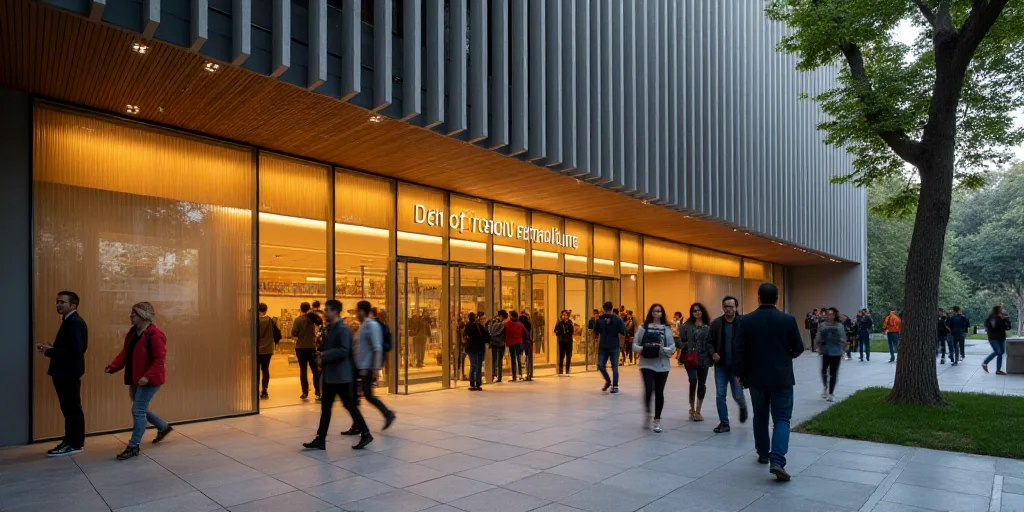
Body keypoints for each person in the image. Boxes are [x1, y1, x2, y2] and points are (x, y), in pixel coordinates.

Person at [735, 283, 804, 482]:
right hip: (781, 378)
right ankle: (778, 460)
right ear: (777, 299)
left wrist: (741, 374)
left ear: (758, 298)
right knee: (782, 418)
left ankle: (763, 453)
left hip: (756, 378)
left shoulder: (746, 321)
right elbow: (798, 348)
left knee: (760, 415)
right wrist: (784, 357)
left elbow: (739, 351)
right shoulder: (788, 320)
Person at [104, 302, 172, 460]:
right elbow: (125, 353)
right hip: (136, 377)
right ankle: (163, 427)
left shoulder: (155, 334)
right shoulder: (133, 332)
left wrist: (147, 377)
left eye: (133, 314)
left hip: (149, 380)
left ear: (143, 315)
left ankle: (133, 446)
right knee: (140, 408)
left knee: (138, 410)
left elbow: (159, 359)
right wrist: (113, 367)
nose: (131, 316)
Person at [303, 300, 372, 450]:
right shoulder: (332, 328)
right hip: (332, 375)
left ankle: (365, 433)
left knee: (349, 406)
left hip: (341, 376)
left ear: (335, 311)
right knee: (326, 408)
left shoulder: (342, 329)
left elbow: (343, 350)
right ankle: (320, 438)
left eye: (327, 310)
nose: (325, 312)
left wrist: (325, 355)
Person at [37, 291, 88, 457]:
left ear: (73, 305)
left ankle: (74, 443)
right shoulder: (70, 321)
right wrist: (53, 349)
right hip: (66, 371)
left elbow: (75, 350)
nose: (58, 305)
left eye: (62, 302)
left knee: (71, 409)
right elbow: (73, 348)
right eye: (57, 301)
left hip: (68, 372)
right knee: (69, 408)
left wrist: (50, 351)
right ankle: (71, 440)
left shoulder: (73, 322)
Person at [342, 300, 395, 436]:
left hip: (366, 367)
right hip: (360, 367)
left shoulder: (371, 325)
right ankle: (360, 424)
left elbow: (377, 347)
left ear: (363, 311)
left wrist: (375, 369)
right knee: (358, 396)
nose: (356, 313)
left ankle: (387, 414)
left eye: (357, 310)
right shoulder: (363, 325)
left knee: (365, 395)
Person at [632, 303, 676, 433]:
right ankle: (647, 413)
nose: (657, 314)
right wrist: (645, 349)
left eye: (659, 311)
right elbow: (634, 345)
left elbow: (672, 347)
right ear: (651, 313)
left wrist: (662, 350)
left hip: (662, 365)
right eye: (655, 311)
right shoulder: (643, 328)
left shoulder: (667, 329)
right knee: (648, 389)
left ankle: (657, 419)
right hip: (646, 363)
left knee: (659, 392)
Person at [709, 296, 748, 433]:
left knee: (737, 394)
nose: (728, 309)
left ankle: (743, 407)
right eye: (726, 306)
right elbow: (709, 341)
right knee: (720, 395)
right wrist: (713, 353)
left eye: (731, 306)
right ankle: (724, 423)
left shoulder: (742, 322)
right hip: (721, 366)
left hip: (737, 367)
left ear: (736, 307)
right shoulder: (717, 323)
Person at [681, 303, 713, 421]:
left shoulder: (709, 325)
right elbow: (680, 340)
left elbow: (712, 340)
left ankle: (698, 410)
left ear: (703, 311)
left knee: (702, 383)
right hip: (690, 358)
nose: (697, 313)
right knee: (693, 380)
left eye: (699, 310)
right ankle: (692, 408)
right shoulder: (686, 325)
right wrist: (688, 346)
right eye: (694, 311)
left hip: (704, 358)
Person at [594, 301, 627, 393]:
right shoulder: (600, 319)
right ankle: (608, 381)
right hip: (603, 346)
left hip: (614, 346)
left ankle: (615, 385)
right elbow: (596, 330)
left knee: (614, 367)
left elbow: (623, 331)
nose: (607, 312)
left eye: (608, 310)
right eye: (606, 310)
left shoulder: (617, 319)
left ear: (612, 309)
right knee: (600, 365)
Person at [814, 307, 846, 402]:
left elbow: (843, 338)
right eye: (828, 314)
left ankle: (831, 393)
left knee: (833, 373)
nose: (829, 316)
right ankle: (825, 387)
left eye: (831, 314)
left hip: (836, 352)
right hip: (826, 351)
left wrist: (843, 346)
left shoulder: (839, 326)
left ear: (835, 315)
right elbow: (818, 337)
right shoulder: (823, 325)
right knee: (824, 370)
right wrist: (818, 347)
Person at [292, 302, 322, 400]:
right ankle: (318, 392)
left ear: (300, 309)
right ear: (309, 308)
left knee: (303, 370)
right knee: (315, 370)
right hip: (311, 347)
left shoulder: (298, 320)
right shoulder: (313, 319)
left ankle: (305, 392)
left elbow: (294, 333)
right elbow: (318, 328)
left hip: (300, 347)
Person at [257, 303, 279, 399]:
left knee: (255, 370)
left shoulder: (254, 320)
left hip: (257, 349)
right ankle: (264, 390)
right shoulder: (271, 320)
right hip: (268, 349)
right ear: (266, 310)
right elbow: (278, 334)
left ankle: (255, 389)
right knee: (265, 370)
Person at [983, 306, 1010, 375]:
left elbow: (1008, 327)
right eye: (1001, 309)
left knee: (1001, 352)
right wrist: (1004, 322)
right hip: (994, 338)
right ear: (998, 311)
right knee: (998, 352)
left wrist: (1006, 321)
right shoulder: (991, 318)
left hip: (1001, 337)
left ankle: (998, 370)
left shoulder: (1002, 318)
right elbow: (993, 328)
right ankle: (985, 363)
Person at [465, 312, 489, 390]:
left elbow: (485, 336)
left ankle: (477, 383)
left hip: (478, 348)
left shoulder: (479, 326)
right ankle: (473, 382)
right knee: (475, 365)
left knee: (477, 365)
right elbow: (470, 335)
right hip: (473, 348)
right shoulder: (470, 326)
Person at [505, 311, 526, 382]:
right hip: (519, 342)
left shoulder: (508, 324)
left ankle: (514, 376)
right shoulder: (520, 324)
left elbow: (506, 332)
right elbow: (524, 333)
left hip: (511, 343)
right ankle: (520, 375)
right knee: (519, 359)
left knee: (513, 359)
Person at [487, 311, 507, 382]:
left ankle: (493, 375)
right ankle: (499, 376)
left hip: (494, 343)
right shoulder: (504, 324)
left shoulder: (492, 324)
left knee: (494, 360)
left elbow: (490, 331)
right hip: (501, 343)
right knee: (499, 361)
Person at [554, 310, 575, 375]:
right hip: (562, 341)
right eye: (563, 315)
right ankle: (560, 371)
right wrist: (559, 334)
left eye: (565, 315)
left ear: (568, 316)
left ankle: (567, 370)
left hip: (568, 341)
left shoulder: (570, 323)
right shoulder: (559, 323)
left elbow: (572, 331)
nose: (564, 316)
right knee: (561, 356)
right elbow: (555, 330)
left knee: (568, 356)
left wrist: (569, 325)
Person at [520, 310, 534, 381]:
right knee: (528, 358)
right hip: (528, 342)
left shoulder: (520, 322)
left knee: (521, 357)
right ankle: (529, 373)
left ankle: (521, 374)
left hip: (521, 341)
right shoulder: (528, 323)